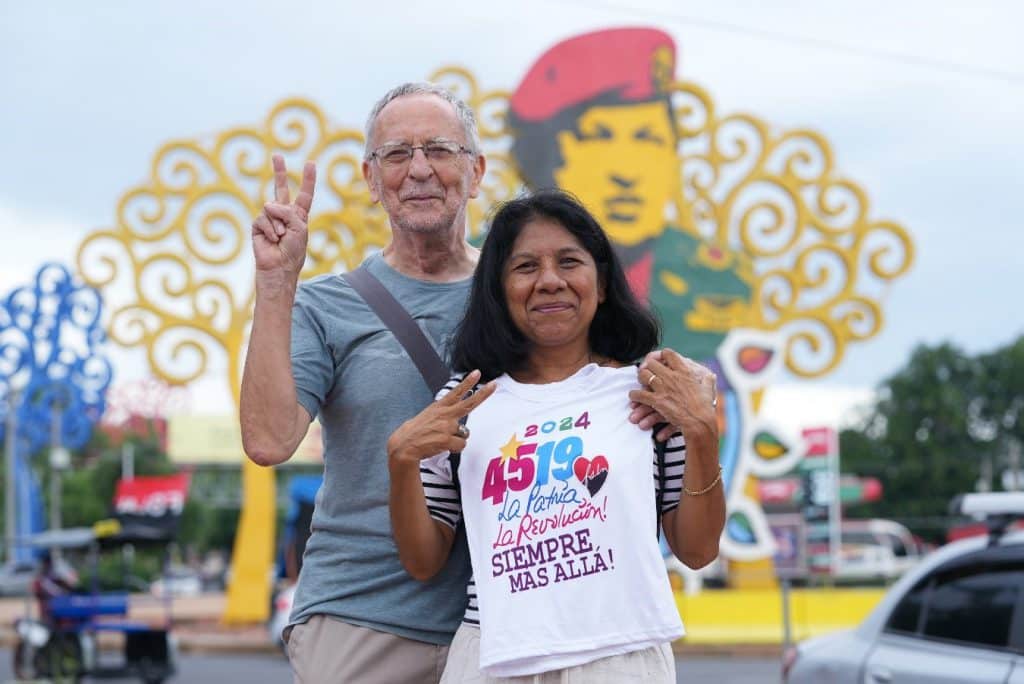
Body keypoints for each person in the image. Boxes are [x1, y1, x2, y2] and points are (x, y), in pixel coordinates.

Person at [240, 84, 673, 683]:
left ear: (475, 171)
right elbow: (267, 440)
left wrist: (687, 382)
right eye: (396, 154)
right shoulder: (324, 306)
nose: (419, 169)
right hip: (364, 615)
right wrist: (275, 282)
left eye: (439, 149)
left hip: (513, 626)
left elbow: (615, 375)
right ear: (371, 177)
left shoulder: (528, 292)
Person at [388, 189, 726, 682]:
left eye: (569, 262)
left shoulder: (653, 394)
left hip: (622, 657)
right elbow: (424, 562)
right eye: (525, 268)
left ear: (603, 283)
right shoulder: (463, 401)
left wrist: (701, 432)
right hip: (493, 658)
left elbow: (697, 551)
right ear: (499, 291)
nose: (550, 281)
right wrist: (400, 462)